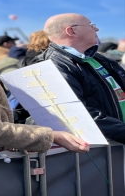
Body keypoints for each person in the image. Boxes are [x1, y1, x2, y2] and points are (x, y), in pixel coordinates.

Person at [36, 13, 125, 143]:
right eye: (91, 25)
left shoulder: (100, 58)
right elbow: (78, 115)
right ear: (71, 31)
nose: (96, 29)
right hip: (103, 150)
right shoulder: (52, 66)